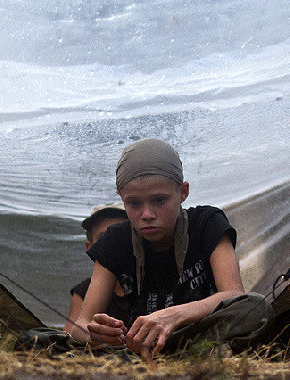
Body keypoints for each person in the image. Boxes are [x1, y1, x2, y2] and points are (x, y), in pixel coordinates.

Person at [69, 138, 273, 356]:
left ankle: (205, 355)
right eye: (134, 203)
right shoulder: (114, 240)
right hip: (136, 349)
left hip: (197, 338)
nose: (147, 215)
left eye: (159, 200)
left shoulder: (206, 224)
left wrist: (173, 316)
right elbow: (79, 326)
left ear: (183, 192)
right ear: (121, 197)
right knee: (41, 338)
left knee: (255, 308)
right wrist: (95, 335)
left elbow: (233, 294)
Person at [62, 202, 132, 335]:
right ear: (91, 248)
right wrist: (92, 337)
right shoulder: (84, 291)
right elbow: (69, 336)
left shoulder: (154, 282)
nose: (113, 243)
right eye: (104, 238)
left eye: (122, 234)